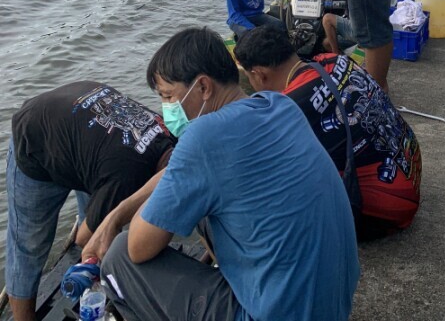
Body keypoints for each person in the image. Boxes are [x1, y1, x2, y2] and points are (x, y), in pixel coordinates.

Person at [99, 27, 359, 321]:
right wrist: (119, 212)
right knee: (203, 204)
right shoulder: (279, 104)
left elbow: (138, 248)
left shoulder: (202, 138)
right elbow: (182, 175)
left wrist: (122, 219)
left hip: (275, 314)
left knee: (118, 257)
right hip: (332, 306)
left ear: (203, 87)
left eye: (169, 96)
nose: (166, 108)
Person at [5, 81, 175, 321]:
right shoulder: (126, 178)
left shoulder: (172, 137)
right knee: (29, 247)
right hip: (36, 139)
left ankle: (95, 285)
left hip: (84, 136)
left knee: (102, 224)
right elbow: (86, 239)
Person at [235, 27, 422, 241]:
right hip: (410, 172)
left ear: (259, 74)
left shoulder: (288, 106)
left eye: (249, 78)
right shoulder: (331, 60)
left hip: (384, 213)